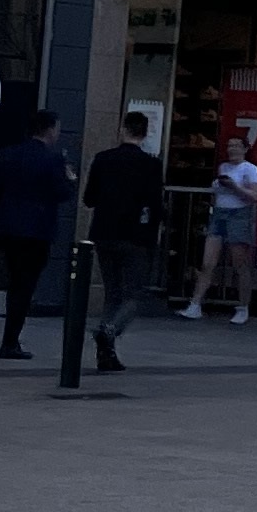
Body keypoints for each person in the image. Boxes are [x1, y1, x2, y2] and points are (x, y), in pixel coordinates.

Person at [0, 108, 74, 361]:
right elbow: (62, 193)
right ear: (49, 129)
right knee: (25, 285)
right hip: (37, 230)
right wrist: (70, 178)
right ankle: (11, 341)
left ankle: (10, 339)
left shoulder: (9, 154)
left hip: (9, 227)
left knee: (15, 281)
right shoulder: (53, 160)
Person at [84, 109, 163, 373]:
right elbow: (156, 205)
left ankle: (106, 353)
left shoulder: (103, 159)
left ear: (123, 129)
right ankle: (109, 330)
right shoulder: (151, 165)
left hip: (104, 232)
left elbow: (89, 198)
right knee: (133, 295)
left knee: (112, 292)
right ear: (145, 133)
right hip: (135, 236)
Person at [186, 132, 257, 325]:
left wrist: (234, 187)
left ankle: (243, 306)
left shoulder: (250, 169)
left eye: (236, 146)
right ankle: (195, 304)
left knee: (240, 264)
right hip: (219, 214)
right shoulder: (223, 167)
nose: (231, 149)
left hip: (239, 215)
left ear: (245, 149)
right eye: (229, 146)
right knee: (208, 262)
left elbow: (256, 195)